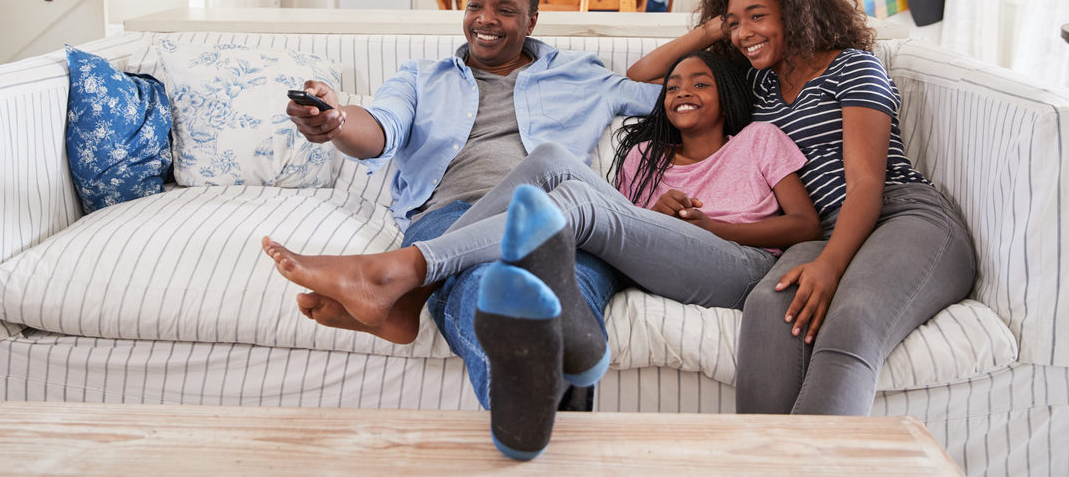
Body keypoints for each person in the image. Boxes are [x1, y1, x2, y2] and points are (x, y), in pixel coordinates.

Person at [265, 48, 820, 459]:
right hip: (670, 263)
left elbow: (804, 223)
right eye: (673, 85)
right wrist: (662, 217)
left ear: (727, 92)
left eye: (700, 82)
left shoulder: (758, 141)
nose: (680, 90)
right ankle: (411, 288)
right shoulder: (645, 157)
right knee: (551, 160)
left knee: (571, 197)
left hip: (741, 265)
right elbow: (628, 236)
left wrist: (710, 223)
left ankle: (406, 274)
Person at [264, 0, 661, 413]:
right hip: (452, 216)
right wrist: (335, 121)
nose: (485, 19)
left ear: (533, 20)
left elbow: (678, 97)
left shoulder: (583, 75)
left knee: (568, 294)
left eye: (505, 10)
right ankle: (530, 415)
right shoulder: (420, 76)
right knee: (486, 284)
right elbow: (380, 128)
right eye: (475, 5)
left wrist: (714, 32)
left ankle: (406, 306)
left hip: (562, 222)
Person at [627, 0, 976, 416]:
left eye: (758, 16)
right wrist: (718, 28)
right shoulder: (760, 83)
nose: (744, 32)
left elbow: (867, 184)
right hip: (820, 230)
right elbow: (644, 74)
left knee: (851, 322)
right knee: (769, 311)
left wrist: (830, 266)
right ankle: (763, 458)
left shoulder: (854, 68)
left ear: (795, 11)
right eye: (735, 22)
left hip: (901, 215)